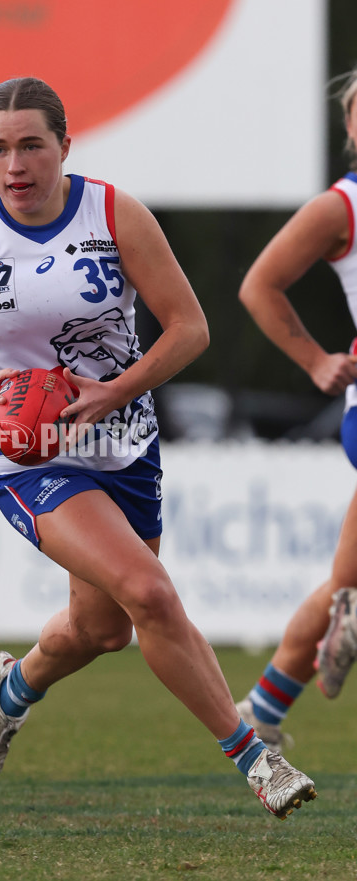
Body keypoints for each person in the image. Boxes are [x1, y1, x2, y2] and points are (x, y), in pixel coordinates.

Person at [0, 76, 316, 818]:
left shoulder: (113, 212)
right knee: (148, 590)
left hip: (127, 443)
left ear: (64, 146)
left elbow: (190, 328)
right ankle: (256, 757)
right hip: (32, 456)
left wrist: (116, 391)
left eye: (30, 145)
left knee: (104, 626)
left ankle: (10, 689)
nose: (14, 165)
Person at [236, 67, 357, 753]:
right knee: (349, 586)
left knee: (346, 580)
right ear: (350, 127)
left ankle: (264, 706)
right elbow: (259, 285)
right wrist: (315, 360)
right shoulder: (340, 208)